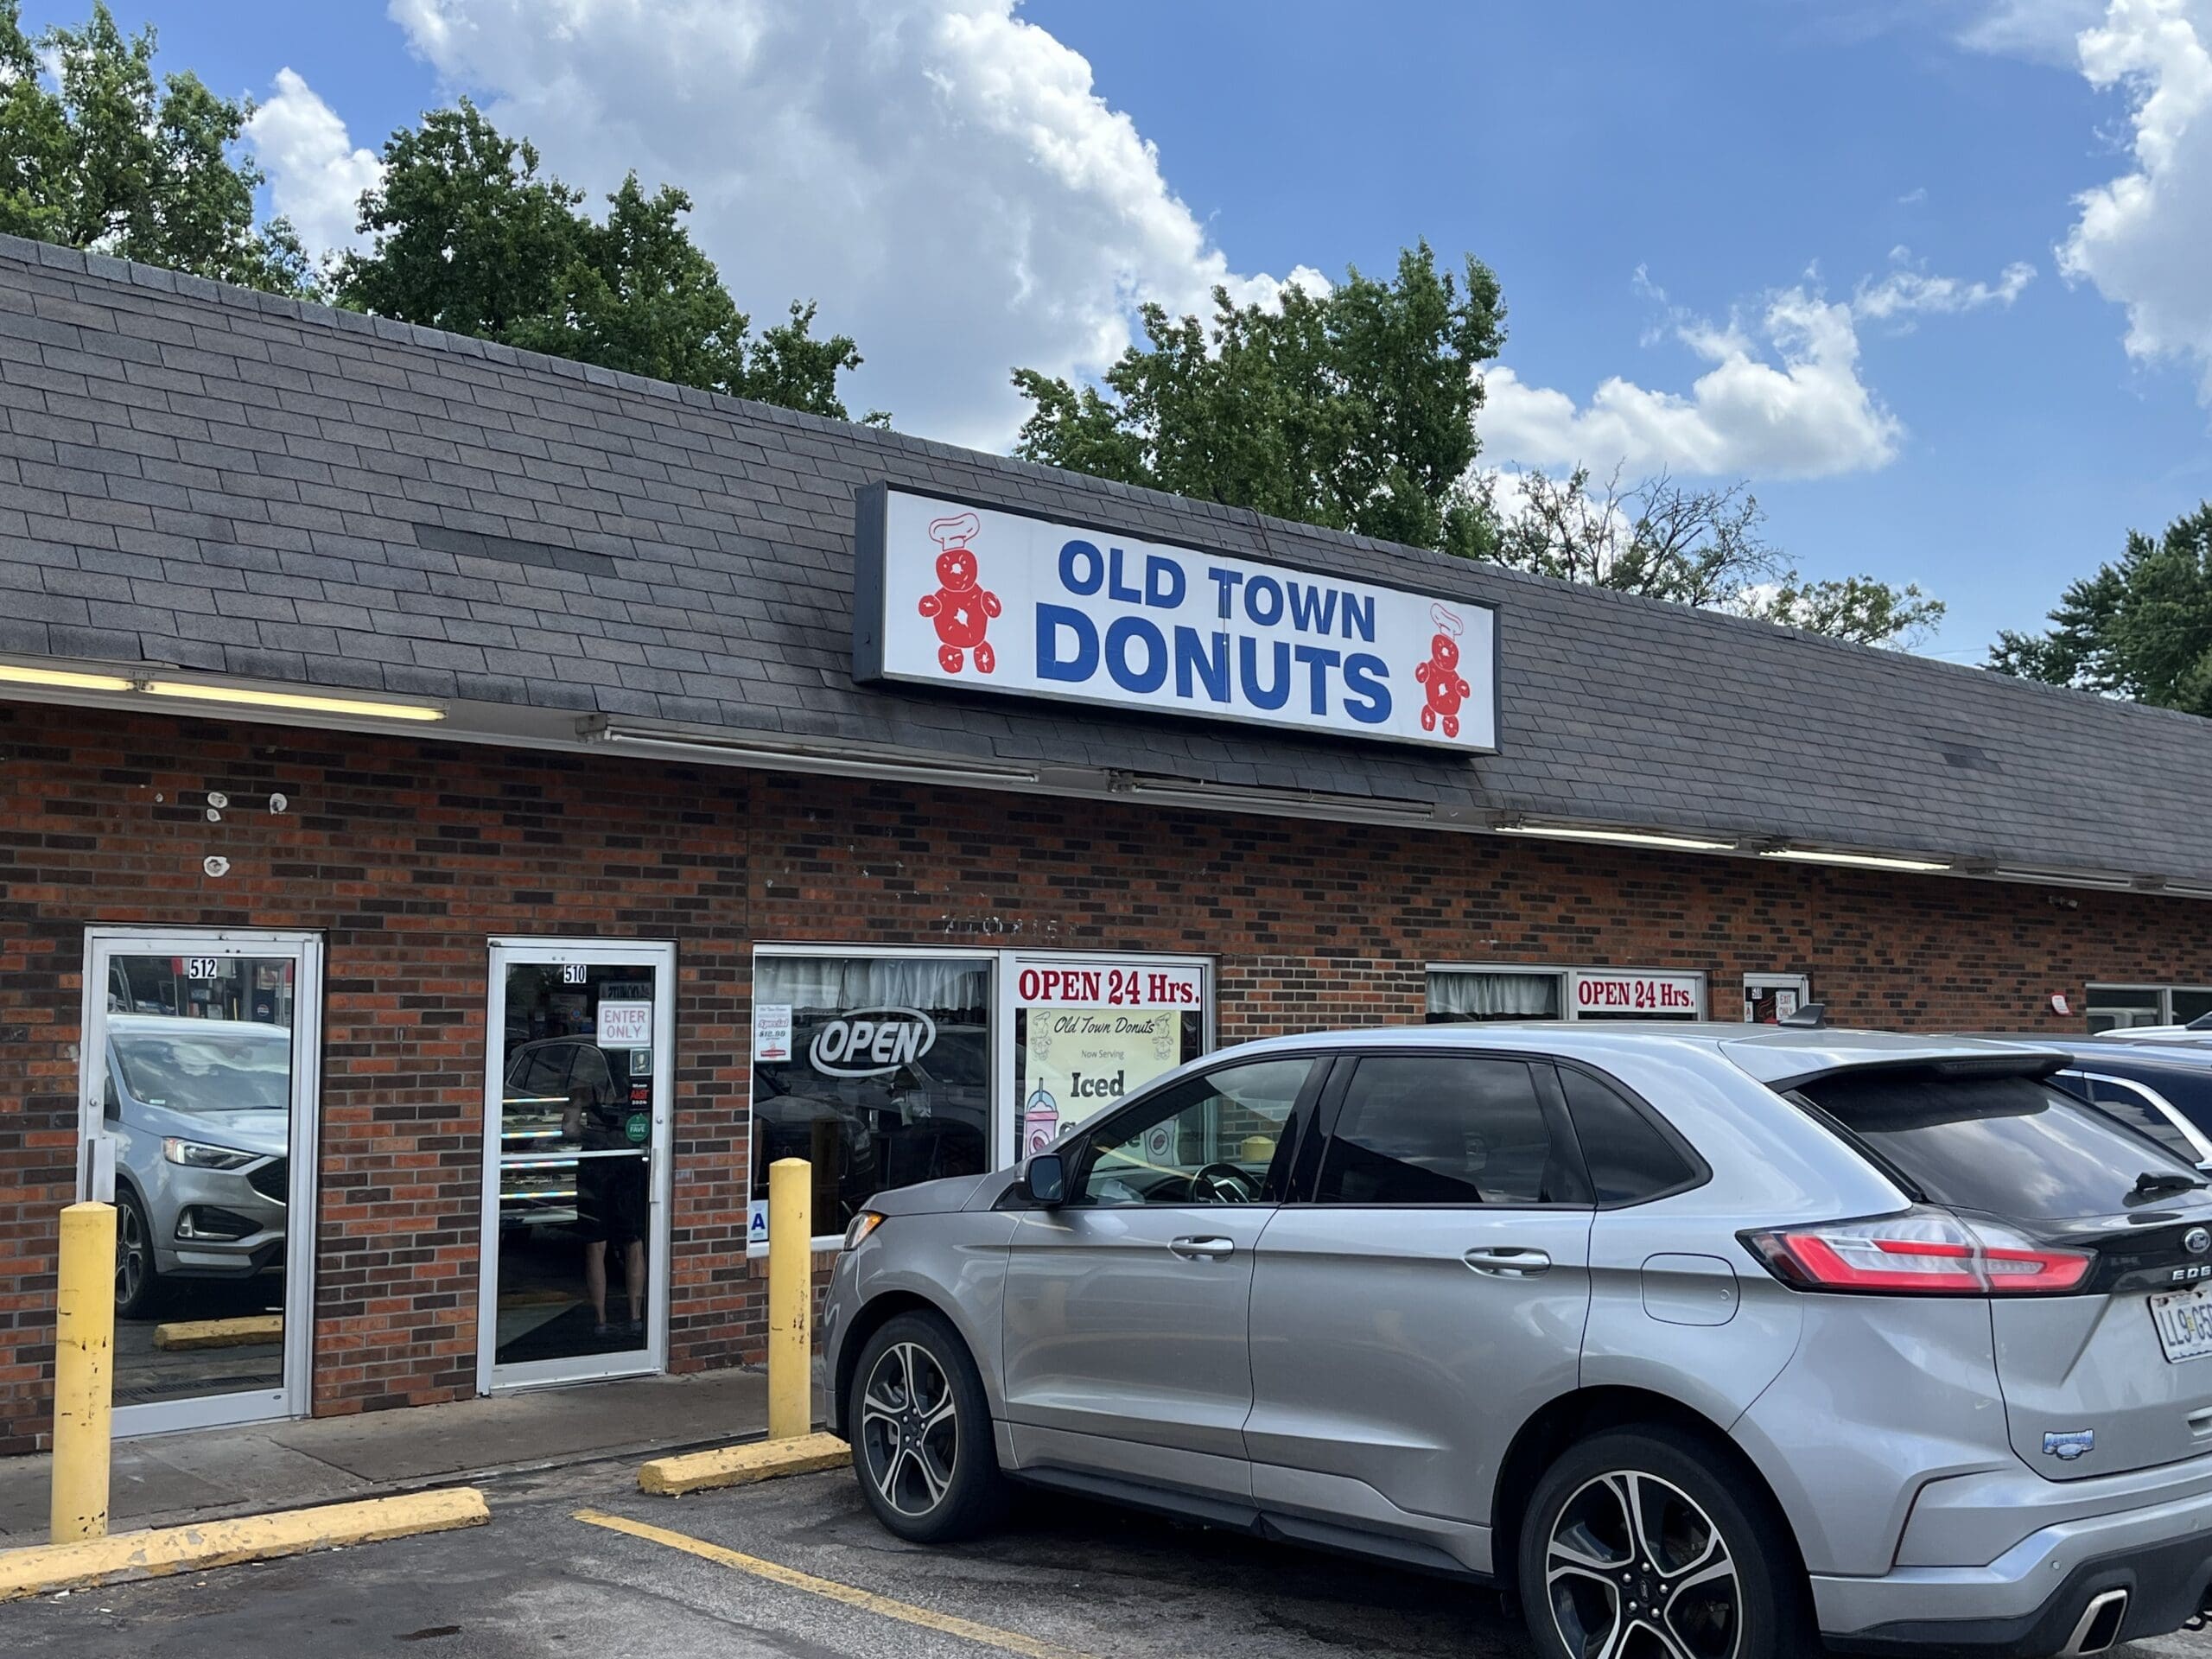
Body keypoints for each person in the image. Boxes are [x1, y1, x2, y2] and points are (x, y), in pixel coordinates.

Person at [563, 1077, 647, 1342]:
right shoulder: (639, 1090)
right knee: (632, 1242)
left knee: (598, 1244)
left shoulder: (585, 1091)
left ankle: (601, 1320)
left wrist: (590, 1130)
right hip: (626, 1164)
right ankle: (635, 1318)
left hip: (596, 1165)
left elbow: (569, 1129)